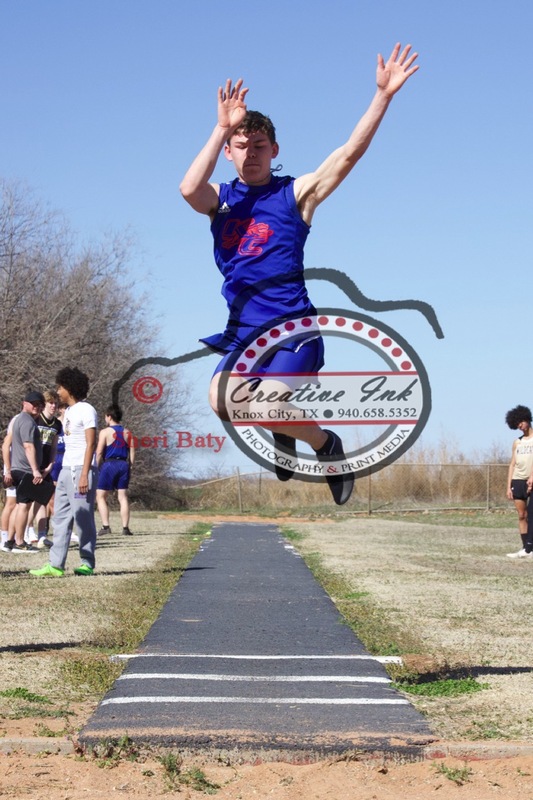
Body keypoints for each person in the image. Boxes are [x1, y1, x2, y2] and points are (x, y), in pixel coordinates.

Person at [180, 43, 419, 505]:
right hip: (243, 334)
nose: (251, 154)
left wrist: (383, 97)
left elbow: (348, 153)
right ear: (228, 152)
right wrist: (220, 127)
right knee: (219, 400)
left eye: (260, 147)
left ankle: (324, 443)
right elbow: (188, 188)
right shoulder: (221, 199)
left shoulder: (296, 194)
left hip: (291, 330)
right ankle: (284, 429)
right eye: (241, 146)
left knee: (266, 404)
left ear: (275, 150)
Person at [30, 367, 98, 577]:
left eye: (60, 387)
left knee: (83, 517)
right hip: (66, 470)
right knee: (60, 517)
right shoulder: (68, 412)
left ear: (69, 387)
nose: (58, 391)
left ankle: (87, 562)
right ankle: (55, 564)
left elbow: (91, 443)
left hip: (81, 470)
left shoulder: (87, 410)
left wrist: (85, 474)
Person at [2, 391, 46, 553]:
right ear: (24, 403)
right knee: (24, 507)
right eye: (33, 403)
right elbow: (28, 446)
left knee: (19, 505)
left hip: (18, 469)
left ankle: (10, 541)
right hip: (25, 470)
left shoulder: (18, 420)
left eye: (40, 404)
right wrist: (35, 470)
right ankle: (20, 542)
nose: (37, 406)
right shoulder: (27, 421)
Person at [96, 404, 135, 536]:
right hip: (123, 464)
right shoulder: (127, 432)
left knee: (101, 496)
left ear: (109, 416)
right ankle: (125, 528)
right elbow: (132, 450)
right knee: (122, 496)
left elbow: (100, 451)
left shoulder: (105, 432)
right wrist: (130, 465)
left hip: (110, 464)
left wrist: (94, 466)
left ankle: (106, 526)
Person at [505, 405, 533, 559]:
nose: (519, 426)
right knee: (522, 515)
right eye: (516, 425)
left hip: (531, 480)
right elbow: (512, 464)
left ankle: (530, 547)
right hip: (518, 480)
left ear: (527, 418)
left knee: (532, 514)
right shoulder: (517, 442)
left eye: (520, 422)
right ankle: (525, 548)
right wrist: (508, 486)